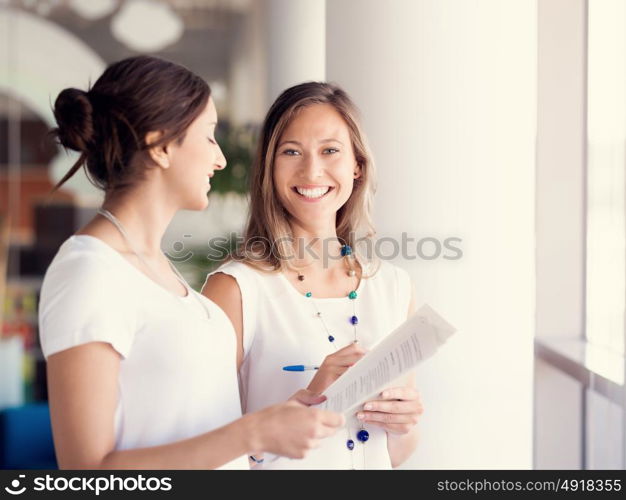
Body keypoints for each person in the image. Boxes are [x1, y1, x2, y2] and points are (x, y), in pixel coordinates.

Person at [39, 56, 343, 470]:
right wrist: (251, 432)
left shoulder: (156, 268)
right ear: (161, 145)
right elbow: (87, 474)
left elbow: (197, 430)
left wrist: (284, 419)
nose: (220, 159)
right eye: (209, 137)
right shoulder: (90, 272)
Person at [202, 82, 423, 469]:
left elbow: (394, 455)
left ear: (357, 165)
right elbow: (205, 452)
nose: (312, 170)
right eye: (291, 152)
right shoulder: (235, 290)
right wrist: (302, 406)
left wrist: (403, 427)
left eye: (330, 151)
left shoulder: (394, 287)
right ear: (269, 167)